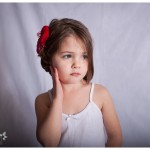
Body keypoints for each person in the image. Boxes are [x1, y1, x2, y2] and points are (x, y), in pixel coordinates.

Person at [35, 18, 122, 147]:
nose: (77, 64)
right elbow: (49, 143)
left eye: (84, 56)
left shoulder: (100, 94)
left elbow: (115, 137)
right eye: (67, 56)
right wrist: (58, 99)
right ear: (49, 59)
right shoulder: (43, 101)